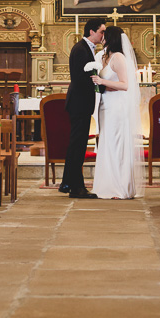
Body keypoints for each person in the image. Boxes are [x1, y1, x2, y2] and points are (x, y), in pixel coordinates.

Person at [90, 26, 144, 199]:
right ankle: (106, 185)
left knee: (117, 144)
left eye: (105, 35)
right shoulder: (104, 56)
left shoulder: (119, 57)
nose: (102, 38)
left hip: (117, 106)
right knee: (106, 144)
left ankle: (120, 188)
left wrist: (102, 80)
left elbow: (125, 84)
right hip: (105, 105)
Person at [60, 17, 106, 198]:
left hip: (81, 103)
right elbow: (80, 78)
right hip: (79, 103)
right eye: (102, 31)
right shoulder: (81, 49)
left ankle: (68, 183)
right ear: (92, 32)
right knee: (77, 145)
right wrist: (101, 85)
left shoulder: (86, 48)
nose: (103, 35)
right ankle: (76, 187)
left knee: (77, 145)